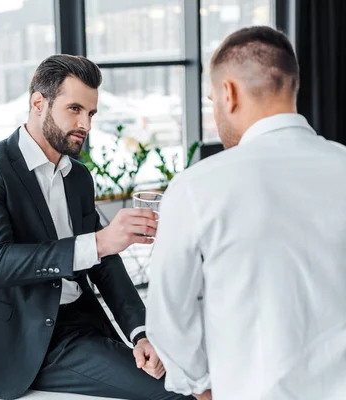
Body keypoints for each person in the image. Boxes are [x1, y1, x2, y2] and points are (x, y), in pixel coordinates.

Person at [0, 54, 190, 400]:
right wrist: (101, 241)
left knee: (189, 372)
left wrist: (142, 333)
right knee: (177, 391)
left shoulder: (78, 177)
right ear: (38, 103)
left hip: (83, 325)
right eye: (74, 109)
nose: (86, 125)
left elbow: (105, 263)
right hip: (26, 341)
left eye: (90, 113)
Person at [145, 26, 346, 400]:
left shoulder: (197, 187)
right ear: (292, 86)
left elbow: (169, 320)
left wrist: (201, 390)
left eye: (212, 100)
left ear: (229, 92)